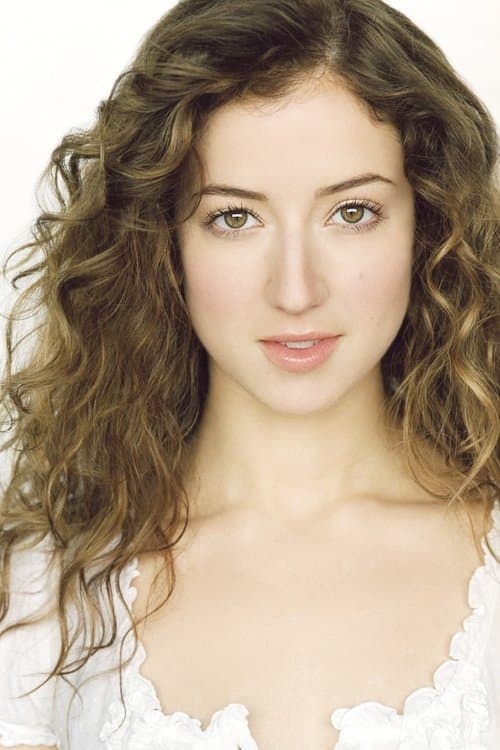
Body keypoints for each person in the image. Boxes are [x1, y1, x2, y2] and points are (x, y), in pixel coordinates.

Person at [0, 0, 499, 748]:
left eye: (352, 212)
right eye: (235, 218)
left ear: (428, 226)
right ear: (163, 244)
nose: (295, 291)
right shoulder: (41, 602)